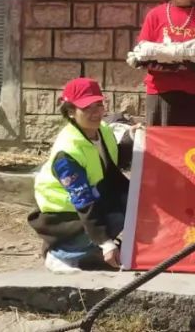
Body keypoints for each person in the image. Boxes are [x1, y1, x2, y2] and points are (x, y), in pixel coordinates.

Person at [28, 78, 131, 273]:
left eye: (98, 105)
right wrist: (106, 242)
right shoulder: (67, 152)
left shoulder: (102, 131)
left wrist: (134, 137)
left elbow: (111, 165)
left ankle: (87, 248)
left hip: (93, 199)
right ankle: (60, 253)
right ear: (70, 112)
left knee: (133, 203)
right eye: (86, 108)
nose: (96, 113)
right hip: (63, 216)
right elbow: (83, 201)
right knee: (117, 217)